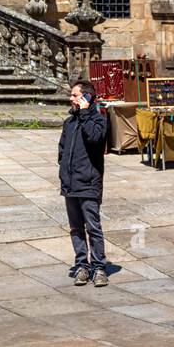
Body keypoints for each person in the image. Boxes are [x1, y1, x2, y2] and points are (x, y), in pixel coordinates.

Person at [58, 79, 110, 287]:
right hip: (70, 183)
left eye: (74, 95)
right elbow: (62, 149)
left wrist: (86, 112)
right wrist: (63, 170)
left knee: (93, 227)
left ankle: (99, 267)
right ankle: (82, 265)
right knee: (75, 228)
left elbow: (95, 138)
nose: (70, 98)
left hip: (88, 182)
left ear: (86, 97)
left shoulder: (98, 120)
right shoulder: (69, 122)